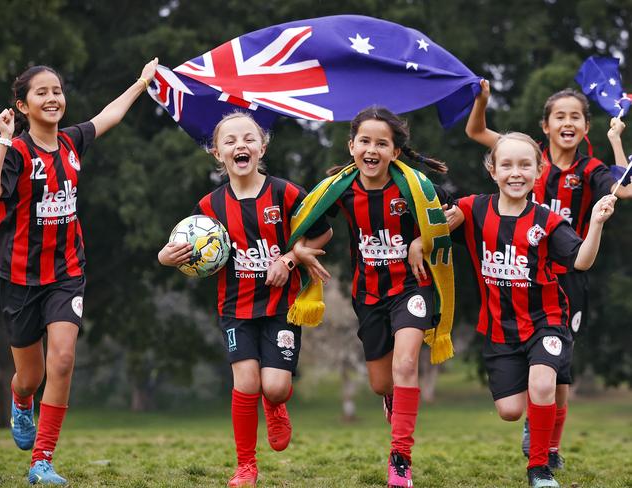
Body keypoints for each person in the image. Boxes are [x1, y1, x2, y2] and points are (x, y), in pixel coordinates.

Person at [0, 58, 158, 484]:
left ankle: (41, 460)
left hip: (66, 271)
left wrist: (141, 82)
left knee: (62, 359)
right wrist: (3, 141)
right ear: (22, 106)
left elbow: (107, 116)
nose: (52, 98)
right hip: (16, 277)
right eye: (40, 93)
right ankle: (20, 399)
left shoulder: (72, 142)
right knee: (31, 376)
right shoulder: (17, 151)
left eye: (56, 91)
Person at [158, 111, 331, 488]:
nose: (241, 145)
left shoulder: (286, 193)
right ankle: (246, 467)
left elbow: (323, 232)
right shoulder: (207, 208)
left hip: (282, 307)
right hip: (235, 308)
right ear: (217, 153)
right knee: (246, 382)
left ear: (262, 146)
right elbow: (185, 248)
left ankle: (277, 404)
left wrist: (288, 258)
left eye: (249, 138)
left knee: (275, 386)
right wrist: (166, 256)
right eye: (230, 141)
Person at [465, 80, 632, 467]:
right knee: (533, 376)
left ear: (585, 128)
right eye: (560, 115)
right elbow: (476, 132)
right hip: (520, 271)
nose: (568, 122)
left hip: (567, 276)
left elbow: (625, 190)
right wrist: (483, 101)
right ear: (546, 125)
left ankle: (549, 448)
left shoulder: (590, 168)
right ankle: (529, 400)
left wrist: (616, 139)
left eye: (576, 116)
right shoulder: (524, 156)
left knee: (558, 375)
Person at [292, 106, 455, 488]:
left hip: (413, 288)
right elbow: (308, 227)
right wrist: (298, 250)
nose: (372, 149)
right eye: (365, 141)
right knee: (383, 383)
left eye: (382, 143)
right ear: (351, 146)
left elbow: (453, 214)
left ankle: (400, 460)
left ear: (395, 152)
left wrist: (420, 240)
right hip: (368, 295)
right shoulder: (341, 190)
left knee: (406, 364)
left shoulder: (416, 187)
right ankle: (390, 399)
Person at [445, 132, 616, 488]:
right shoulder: (472, 209)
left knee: (542, 384)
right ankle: (535, 420)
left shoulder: (548, 221)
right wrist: (419, 242)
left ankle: (539, 469)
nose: (516, 172)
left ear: (539, 171)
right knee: (510, 411)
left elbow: (581, 262)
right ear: (493, 170)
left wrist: (596, 223)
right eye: (506, 164)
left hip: (547, 321)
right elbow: (433, 224)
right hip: (500, 329)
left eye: (525, 165)